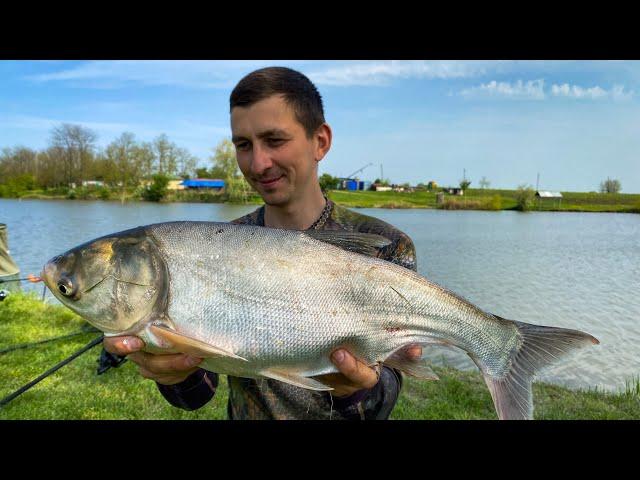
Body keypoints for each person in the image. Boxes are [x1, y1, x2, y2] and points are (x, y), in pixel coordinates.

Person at [104, 66, 422, 420]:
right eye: (243, 145)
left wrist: (357, 388)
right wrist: (174, 371)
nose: (258, 163)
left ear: (321, 141)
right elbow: (196, 396)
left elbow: (387, 395)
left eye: (274, 140)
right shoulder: (218, 247)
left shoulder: (385, 247)